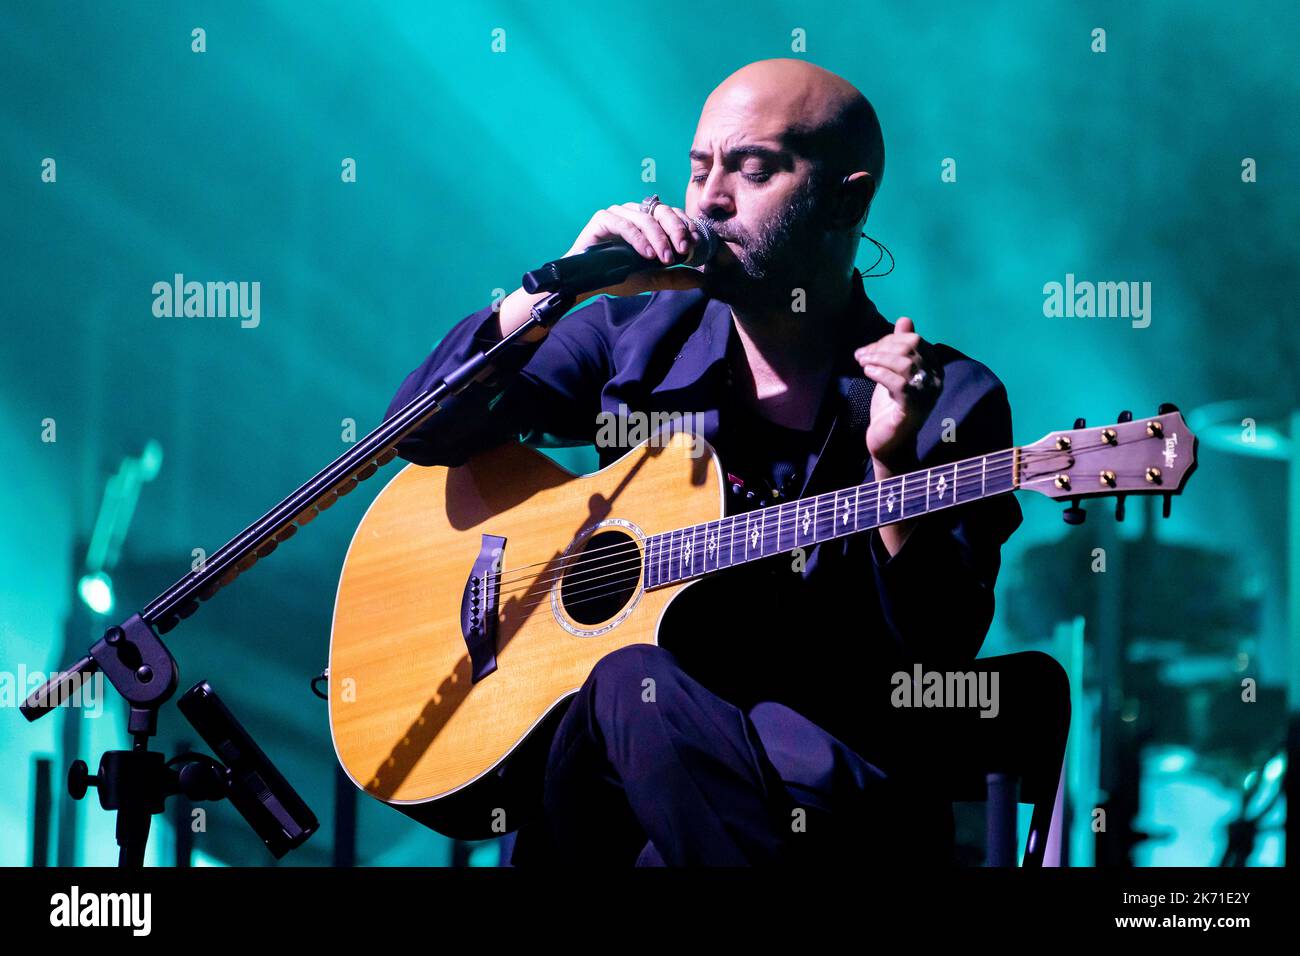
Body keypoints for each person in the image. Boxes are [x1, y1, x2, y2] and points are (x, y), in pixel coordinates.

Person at [386, 58, 1023, 865]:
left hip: (811, 810)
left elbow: (937, 655)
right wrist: (545, 299)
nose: (710, 199)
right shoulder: (629, 341)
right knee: (623, 689)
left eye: (751, 169)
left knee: (628, 683)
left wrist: (893, 468)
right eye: (698, 169)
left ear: (847, 198)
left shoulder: (949, 397)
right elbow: (419, 431)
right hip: (599, 794)